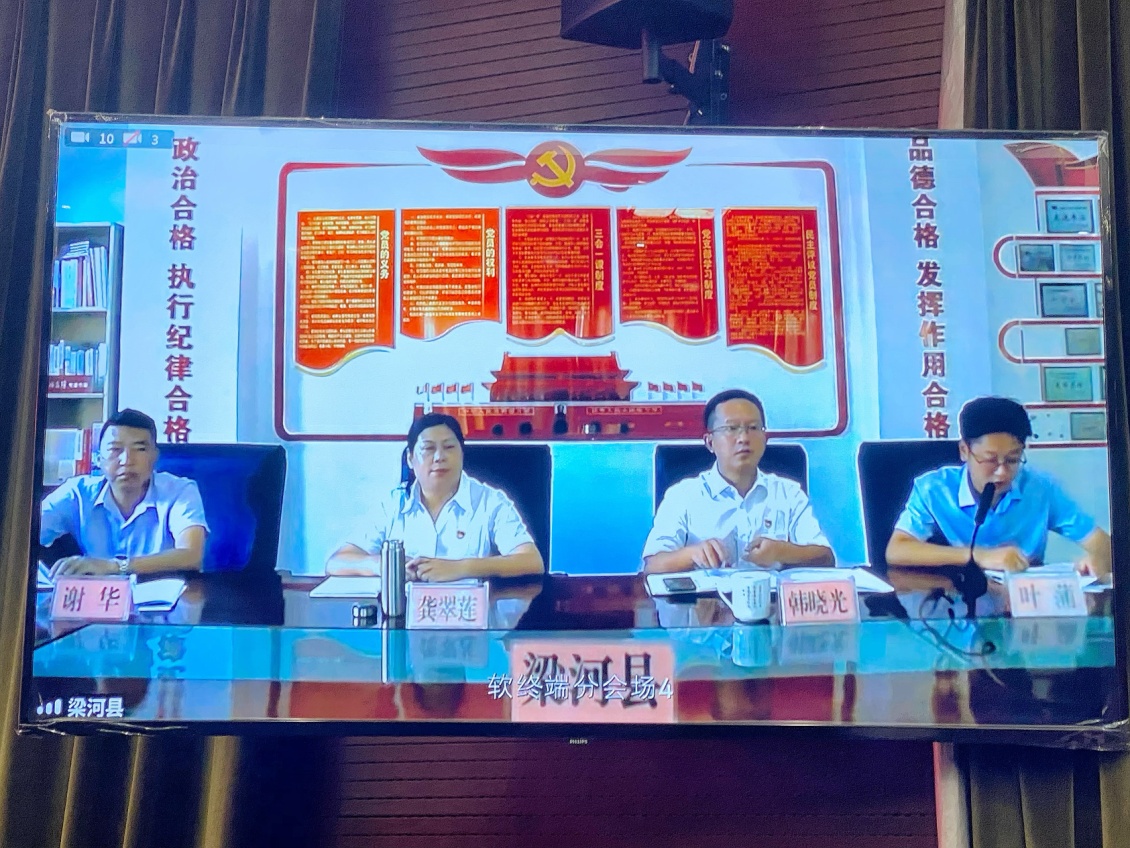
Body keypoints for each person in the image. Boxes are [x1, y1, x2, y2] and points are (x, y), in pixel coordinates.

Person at [886, 396, 1112, 580]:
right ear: (964, 451)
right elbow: (897, 550)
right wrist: (979, 556)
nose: (1002, 472)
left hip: (1026, 606)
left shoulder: (1041, 489)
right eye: (990, 460)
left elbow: (1102, 543)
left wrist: (1098, 561)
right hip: (960, 604)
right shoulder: (934, 489)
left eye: (1013, 459)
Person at [327, 413, 544, 581]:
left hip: (470, 619)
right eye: (428, 449)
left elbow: (531, 561)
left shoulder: (490, 502)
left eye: (449, 447)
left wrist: (460, 568)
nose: (440, 457)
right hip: (405, 618)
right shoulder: (393, 505)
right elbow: (337, 562)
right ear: (410, 459)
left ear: (462, 454)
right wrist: (383, 565)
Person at [642, 389, 834, 573]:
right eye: (731, 428)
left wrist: (782, 551)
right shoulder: (682, 495)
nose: (743, 438)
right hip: (707, 596)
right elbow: (652, 565)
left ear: (764, 438)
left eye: (753, 428)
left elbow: (826, 558)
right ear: (710, 442)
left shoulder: (788, 493)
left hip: (770, 596)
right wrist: (692, 554)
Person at [40, 408, 208, 578]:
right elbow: (26, 530)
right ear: (98, 459)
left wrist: (114, 566)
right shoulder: (77, 493)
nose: (127, 460)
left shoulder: (180, 491)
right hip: (97, 593)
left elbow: (191, 555)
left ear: (155, 457)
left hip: (162, 592)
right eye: (115, 449)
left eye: (140, 449)